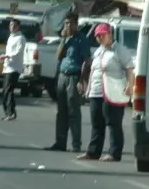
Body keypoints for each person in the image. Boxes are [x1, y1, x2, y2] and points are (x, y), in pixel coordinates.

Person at [78, 23, 135, 163]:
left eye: (104, 34)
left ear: (110, 34)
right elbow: (92, 70)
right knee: (97, 122)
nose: (101, 37)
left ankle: (114, 153)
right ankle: (93, 151)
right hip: (96, 91)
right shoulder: (98, 51)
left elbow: (129, 69)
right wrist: (87, 87)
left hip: (113, 91)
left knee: (113, 122)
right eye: (98, 36)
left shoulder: (119, 50)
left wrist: (130, 86)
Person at [45, 12, 88, 153]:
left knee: (73, 111)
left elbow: (86, 62)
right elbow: (58, 56)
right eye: (66, 23)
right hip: (62, 75)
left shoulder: (81, 39)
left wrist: (82, 80)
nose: (68, 26)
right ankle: (60, 142)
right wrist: (64, 39)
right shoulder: (65, 39)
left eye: (70, 23)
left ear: (76, 24)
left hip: (74, 76)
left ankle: (76, 144)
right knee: (61, 111)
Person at [0, 18, 26, 121]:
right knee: (6, 91)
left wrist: (6, 56)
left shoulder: (20, 38)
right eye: (10, 25)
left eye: (14, 25)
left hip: (14, 68)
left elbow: (18, 53)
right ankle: (9, 113)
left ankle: (10, 113)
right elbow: (9, 52)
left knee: (8, 90)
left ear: (18, 26)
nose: (12, 27)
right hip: (7, 67)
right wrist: (4, 58)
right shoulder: (10, 37)